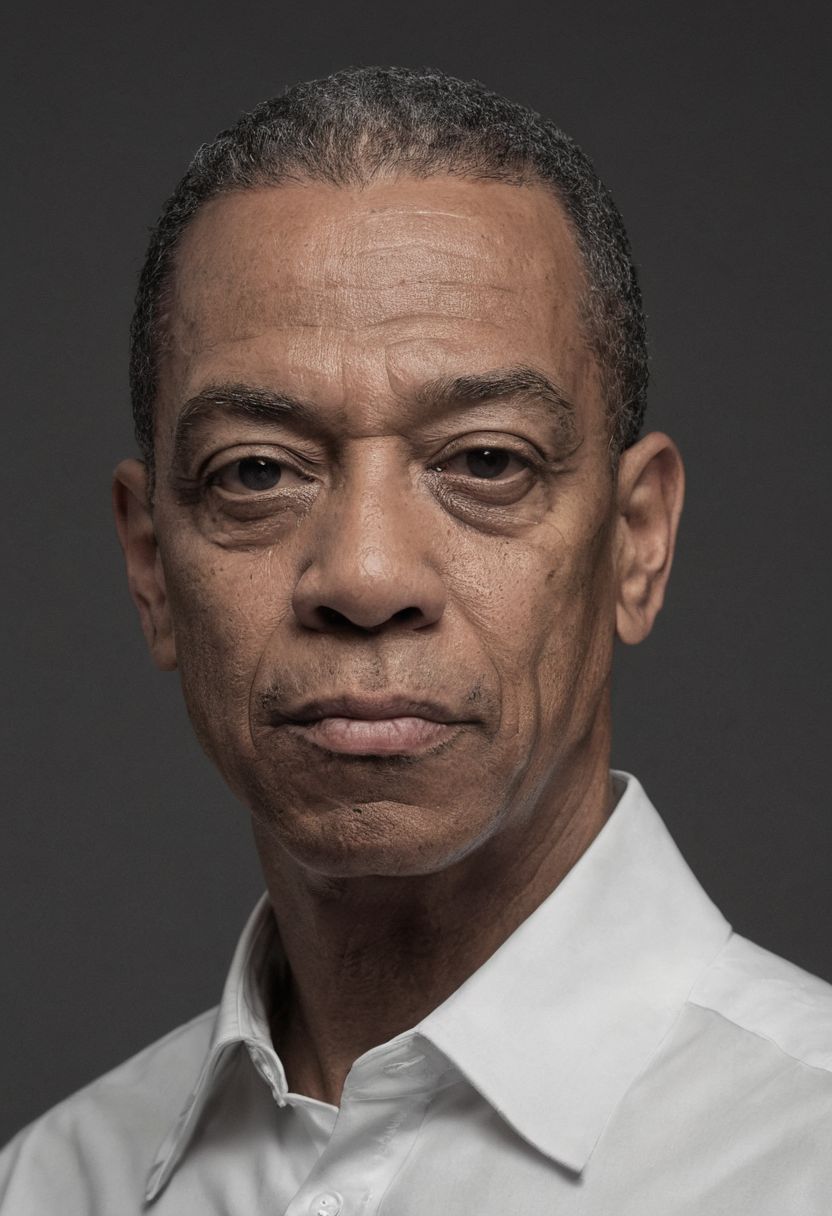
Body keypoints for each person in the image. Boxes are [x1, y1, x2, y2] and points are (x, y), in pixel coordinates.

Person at [1, 65, 830, 1215]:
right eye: (257, 472)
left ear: (635, 541)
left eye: (486, 461)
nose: (365, 575)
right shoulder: (46, 1186)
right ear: (151, 567)